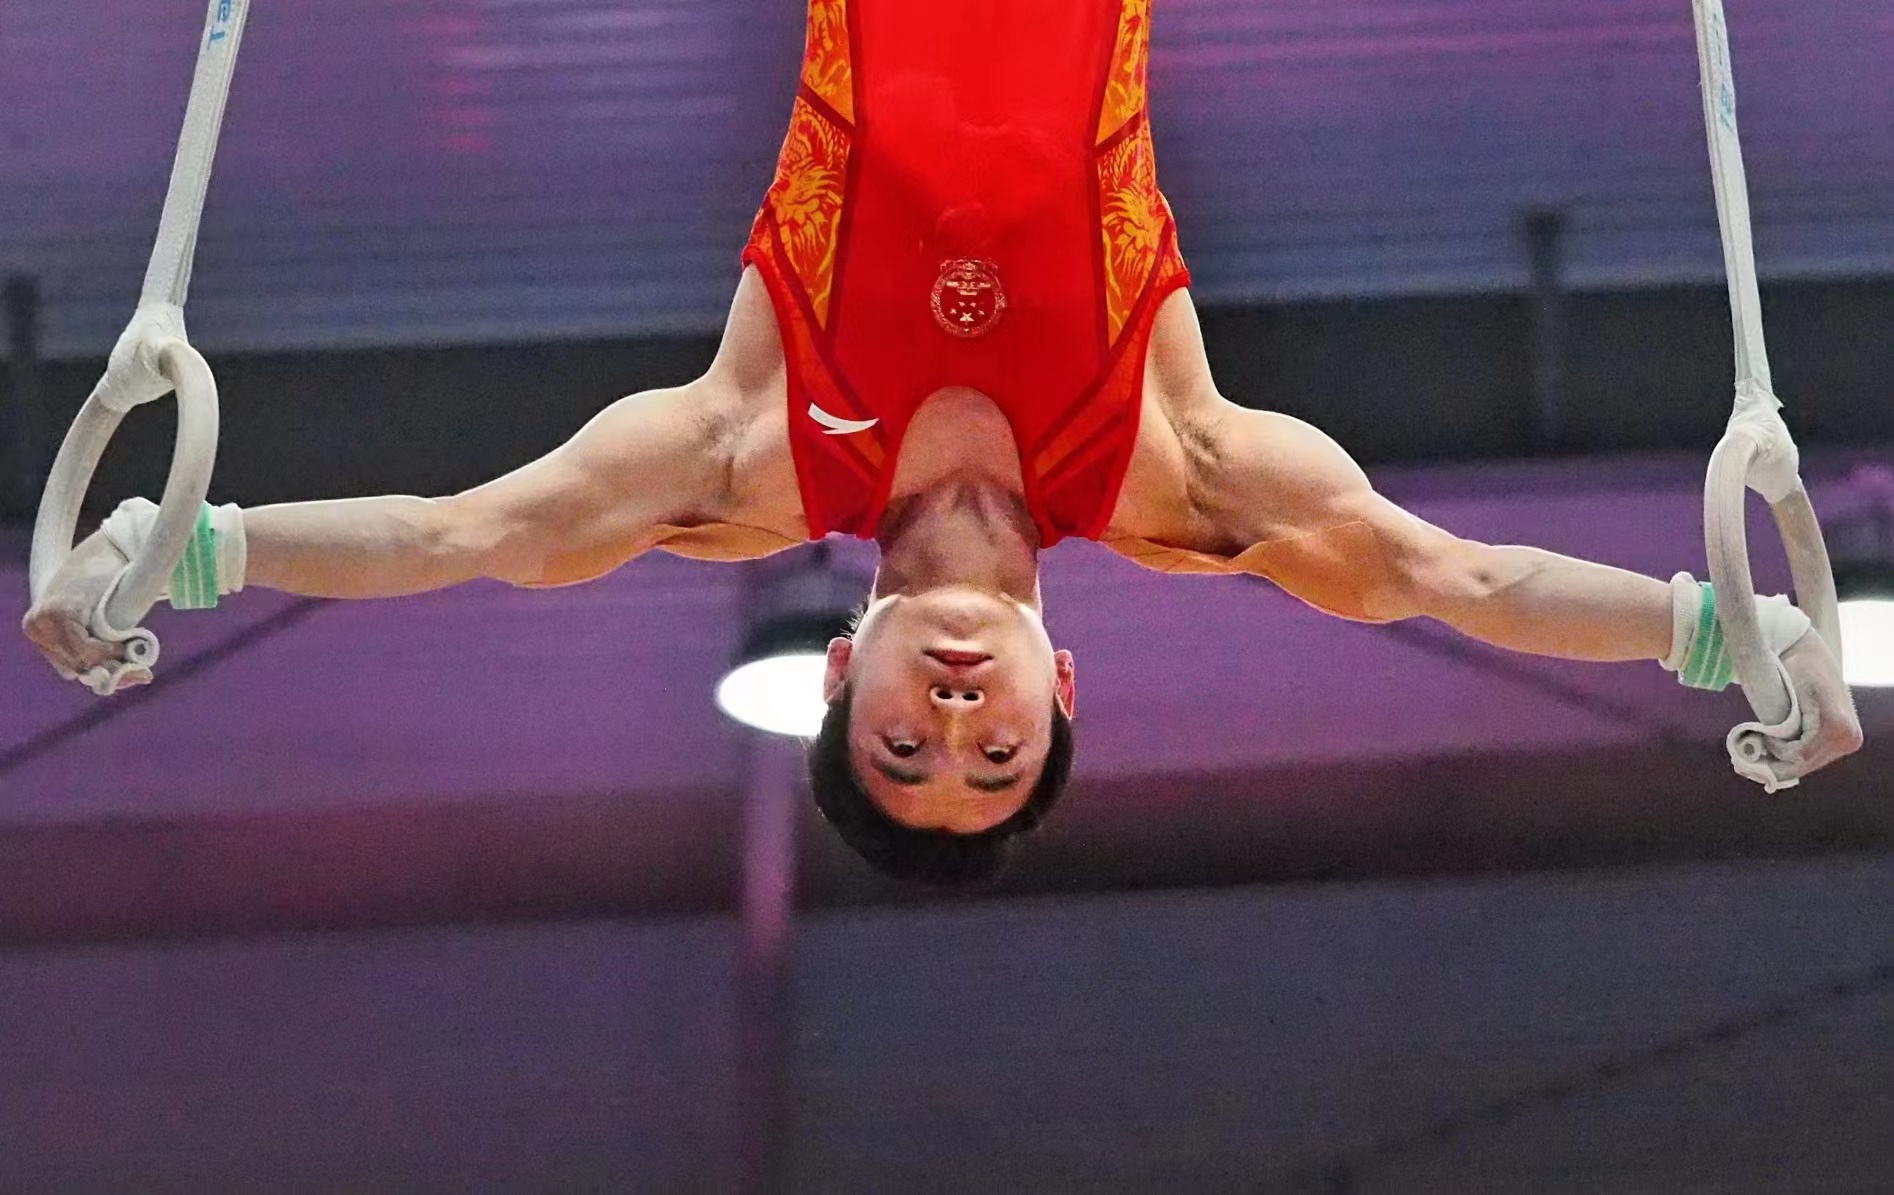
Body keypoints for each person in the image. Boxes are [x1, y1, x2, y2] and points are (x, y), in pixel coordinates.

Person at [23, 0, 1862, 884]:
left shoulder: (748, 454)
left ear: (840, 674)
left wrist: (190, 548)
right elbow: (1456, 577)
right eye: (998, 751)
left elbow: (459, 536)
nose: (959, 715)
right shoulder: (1178, 472)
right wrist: (1730, 633)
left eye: (910, 744)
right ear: (1068, 690)